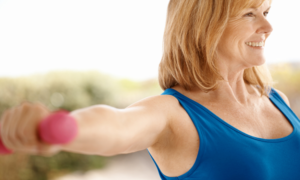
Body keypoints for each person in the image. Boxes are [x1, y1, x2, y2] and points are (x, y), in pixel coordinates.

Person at [1, 0, 299, 179]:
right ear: (206, 25)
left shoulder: (276, 100)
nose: (268, 26)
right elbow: (118, 126)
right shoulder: (174, 115)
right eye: (249, 13)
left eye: (266, 11)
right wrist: (61, 129)